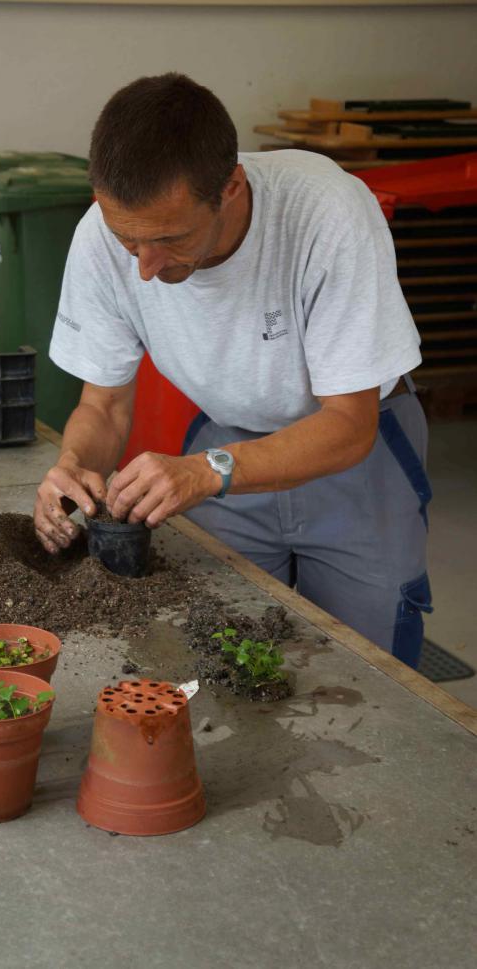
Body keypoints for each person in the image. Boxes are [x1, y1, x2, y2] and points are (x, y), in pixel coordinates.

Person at [33, 73, 432, 667]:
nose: (144, 267)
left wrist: (208, 471)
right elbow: (104, 405)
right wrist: (74, 466)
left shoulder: (326, 212)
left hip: (355, 453)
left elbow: (350, 423)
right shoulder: (101, 238)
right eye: (127, 240)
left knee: (368, 670)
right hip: (224, 443)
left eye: (169, 239)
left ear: (231, 187)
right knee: (215, 649)